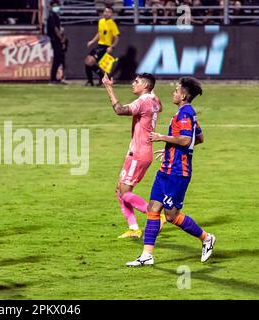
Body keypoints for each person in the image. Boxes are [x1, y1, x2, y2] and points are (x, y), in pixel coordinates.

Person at [126, 77, 216, 267]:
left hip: (177, 172)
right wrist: (169, 148)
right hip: (165, 169)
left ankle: (206, 238)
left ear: (183, 95)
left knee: (171, 215)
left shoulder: (185, 114)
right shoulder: (187, 113)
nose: (173, 93)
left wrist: (162, 138)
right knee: (152, 209)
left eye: (176, 90)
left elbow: (185, 140)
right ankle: (147, 255)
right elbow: (198, 138)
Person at [102, 73, 163, 239]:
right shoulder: (154, 100)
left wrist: (109, 88)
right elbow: (159, 106)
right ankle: (134, 228)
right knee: (119, 190)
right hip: (139, 151)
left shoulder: (143, 102)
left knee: (125, 192)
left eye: (136, 81)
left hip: (138, 153)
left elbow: (120, 110)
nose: (133, 83)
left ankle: (156, 216)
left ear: (145, 85)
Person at [84, 5, 120, 86]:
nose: (107, 13)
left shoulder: (112, 23)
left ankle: (101, 78)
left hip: (105, 47)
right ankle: (92, 81)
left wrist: (112, 46)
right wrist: (92, 41)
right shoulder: (101, 21)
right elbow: (99, 33)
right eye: (105, 11)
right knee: (87, 62)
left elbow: (116, 37)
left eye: (109, 12)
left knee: (90, 62)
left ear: (112, 14)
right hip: (99, 45)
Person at [47, 0, 67, 84]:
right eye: (54, 6)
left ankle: (56, 77)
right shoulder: (52, 16)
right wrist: (61, 39)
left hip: (57, 40)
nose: (56, 7)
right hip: (55, 40)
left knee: (59, 59)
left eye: (57, 5)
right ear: (51, 7)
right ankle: (53, 78)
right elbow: (56, 29)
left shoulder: (56, 16)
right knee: (57, 59)